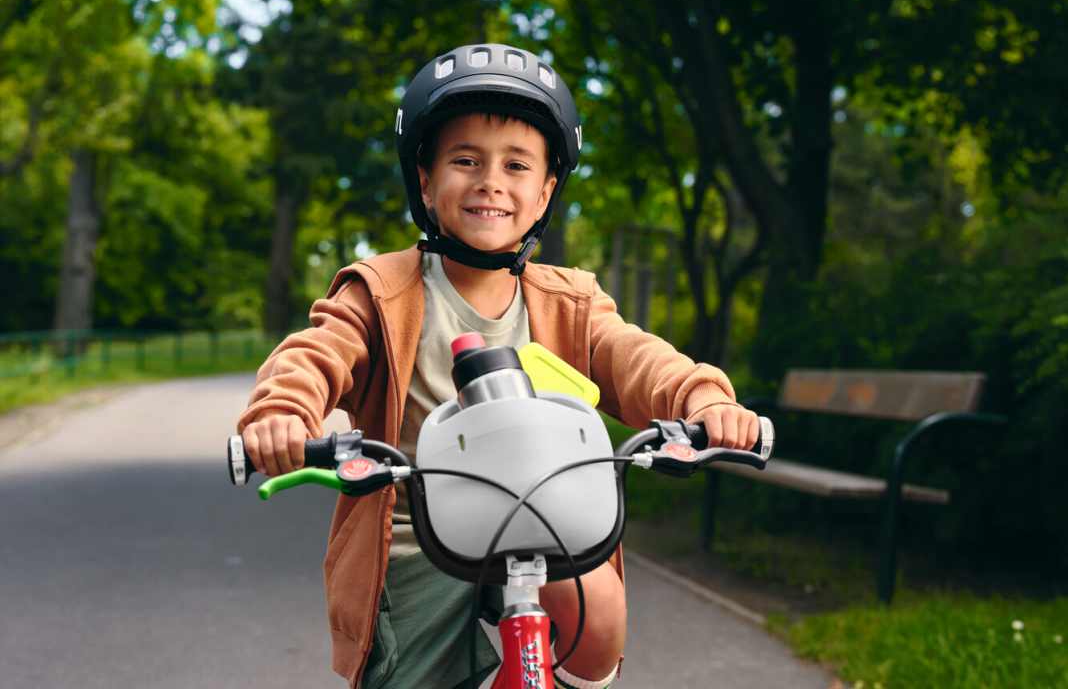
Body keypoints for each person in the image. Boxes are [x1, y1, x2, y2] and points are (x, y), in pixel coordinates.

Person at [236, 43, 759, 689]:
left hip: (545, 522)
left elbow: (639, 360)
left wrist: (704, 402)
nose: (490, 181)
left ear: (544, 194)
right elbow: (315, 355)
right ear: (425, 181)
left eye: (516, 165)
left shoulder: (570, 302)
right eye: (465, 160)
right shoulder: (381, 292)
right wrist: (283, 413)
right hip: (419, 535)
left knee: (598, 619)